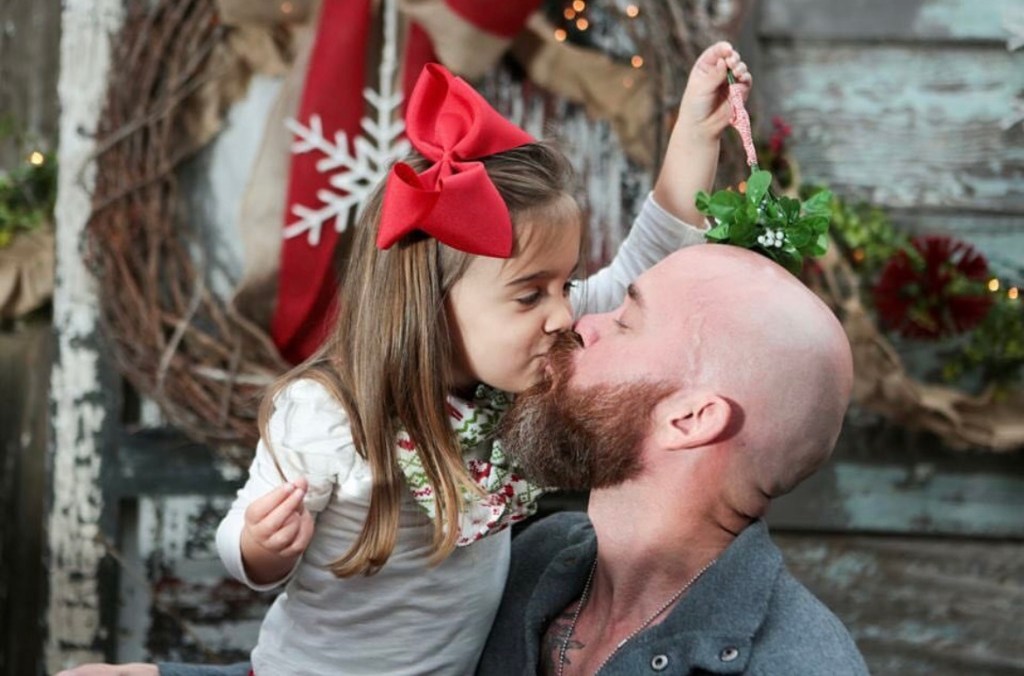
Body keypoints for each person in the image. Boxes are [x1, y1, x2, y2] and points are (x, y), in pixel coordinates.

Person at [58, 45, 751, 676]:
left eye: (564, 286)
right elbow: (240, 539)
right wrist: (263, 548)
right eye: (530, 294)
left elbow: (647, 258)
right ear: (430, 307)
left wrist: (696, 132)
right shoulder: (330, 417)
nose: (563, 315)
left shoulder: (517, 365)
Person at [479, 244, 869, 675]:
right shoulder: (533, 557)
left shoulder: (798, 665)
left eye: (625, 323)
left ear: (690, 420)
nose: (582, 324)